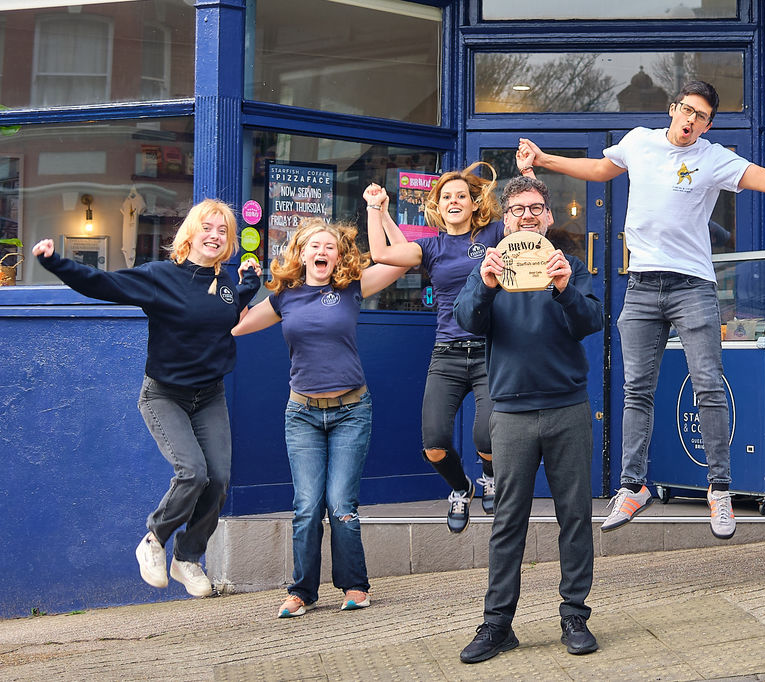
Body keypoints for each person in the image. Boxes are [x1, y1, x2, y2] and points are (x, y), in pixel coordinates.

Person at [518, 80, 765, 540]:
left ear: (708, 124)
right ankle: (633, 486)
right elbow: (600, 169)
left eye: (700, 116)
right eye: (685, 110)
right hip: (640, 287)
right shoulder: (639, 142)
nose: (690, 120)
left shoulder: (713, 157)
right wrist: (544, 160)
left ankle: (720, 490)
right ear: (673, 109)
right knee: (636, 389)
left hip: (693, 287)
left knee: (709, 387)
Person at [32, 199, 262, 597]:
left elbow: (228, 308)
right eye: (207, 227)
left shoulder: (224, 283)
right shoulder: (160, 277)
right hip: (164, 395)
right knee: (193, 472)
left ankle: (187, 558)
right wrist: (56, 263)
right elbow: (102, 284)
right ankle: (153, 540)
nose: (215, 235)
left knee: (219, 479)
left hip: (209, 396)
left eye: (223, 231)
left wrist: (249, 285)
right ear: (190, 233)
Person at [453, 176, 603, 663]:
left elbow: (590, 322)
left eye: (536, 208)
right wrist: (486, 285)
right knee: (508, 521)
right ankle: (497, 624)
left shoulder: (571, 267)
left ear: (549, 218)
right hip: (511, 412)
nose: (527, 216)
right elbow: (465, 320)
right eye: (517, 209)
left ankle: (574, 615)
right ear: (505, 218)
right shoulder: (490, 268)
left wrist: (563, 289)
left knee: (575, 515)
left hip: (567, 408)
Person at [232, 217, 408, 618]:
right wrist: (241, 287)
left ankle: (355, 586)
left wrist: (379, 212)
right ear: (301, 252)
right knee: (307, 506)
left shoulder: (351, 288)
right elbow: (238, 327)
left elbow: (401, 263)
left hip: (351, 411)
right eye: (314, 245)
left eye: (329, 246)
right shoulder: (284, 296)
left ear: (338, 254)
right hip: (302, 415)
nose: (322, 252)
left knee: (341, 504)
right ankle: (302, 592)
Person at [364, 163, 505, 533]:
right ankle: (461, 487)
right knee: (435, 444)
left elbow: (529, 229)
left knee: (487, 436)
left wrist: (528, 172)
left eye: (461, 196)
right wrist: (374, 208)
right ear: (437, 207)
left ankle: (490, 475)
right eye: (446, 197)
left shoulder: (494, 233)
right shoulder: (430, 247)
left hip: (490, 350)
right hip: (447, 353)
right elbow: (380, 253)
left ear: (474, 204)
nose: (454, 201)